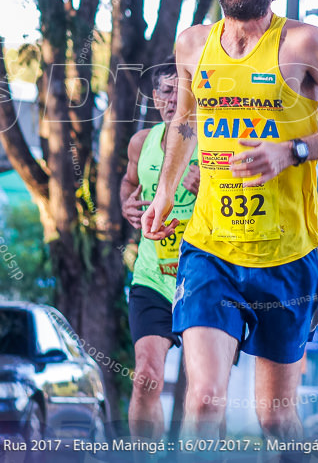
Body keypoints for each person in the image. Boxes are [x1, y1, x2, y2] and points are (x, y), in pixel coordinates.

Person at [141, 0, 318, 440]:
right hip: (210, 249)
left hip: (286, 256)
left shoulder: (305, 43)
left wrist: (294, 150)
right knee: (203, 402)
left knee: (274, 418)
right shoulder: (192, 44)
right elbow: (185, 121)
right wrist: (163, 194)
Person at [121, 57, 200, 440]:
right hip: (153, 275)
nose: (173, 99)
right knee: (147, 378)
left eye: (181, 91)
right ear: (155, 97)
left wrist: (214, 188)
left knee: (204, 395)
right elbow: (128, 183)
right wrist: (127, 205)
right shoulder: (142, 142)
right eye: (166, 92)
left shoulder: (214, 142)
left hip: (205, 275)